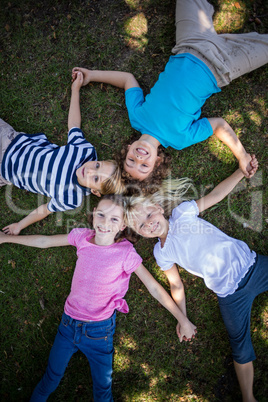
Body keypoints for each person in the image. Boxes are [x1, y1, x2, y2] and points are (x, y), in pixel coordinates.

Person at [0, 194, 197, 401]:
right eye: (101, 215)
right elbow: (45, 241)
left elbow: (154, 288)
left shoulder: (126, 253)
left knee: (102, 392)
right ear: (94, 215)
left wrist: (182, 319)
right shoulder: (82, 237)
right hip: (67, 326)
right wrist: (7, 238)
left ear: (122, 225)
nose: (105, 223)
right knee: (50, 379)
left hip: (99, 332)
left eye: (114, 219)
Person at [72, 0, 268, 190]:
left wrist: (92, 75)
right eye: (144, 166)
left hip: (191, 43)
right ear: (157, 162)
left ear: (129, 148)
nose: (139, 159)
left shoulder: (137, 117)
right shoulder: (179, 140)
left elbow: (128, 80)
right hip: (223, 66)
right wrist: (242, 156)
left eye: (131, 160)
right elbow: (218, 125)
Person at [124, 155, 267, 402]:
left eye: (148, 216)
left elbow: (216, 196)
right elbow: (176, 284)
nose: (148, 225)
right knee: (239, 346)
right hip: (230, 294)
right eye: (141, 227)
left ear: (158, 208)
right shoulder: (162, 253)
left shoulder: (182, 214)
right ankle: (248, 397)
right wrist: (183, 318)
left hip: (253, 266)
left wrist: (241, 172)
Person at [0, 71, 124, 236]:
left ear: (95, 191)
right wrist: (75, 89)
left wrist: (19, 225)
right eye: (97, 165)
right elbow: (74, 125)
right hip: (11, 142)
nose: (90, 170)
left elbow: (45, 209)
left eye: (95, 178)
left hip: (5, 173)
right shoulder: (84, 151)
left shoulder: (71, 198)